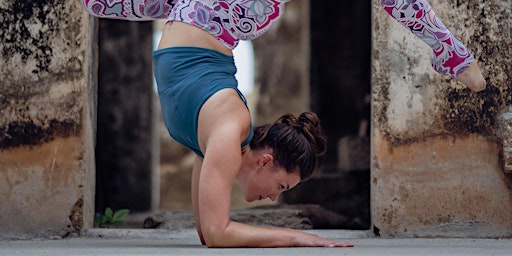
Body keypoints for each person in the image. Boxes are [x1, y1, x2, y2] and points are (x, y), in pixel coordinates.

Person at [82, 0, 485, 247]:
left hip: (202, 17)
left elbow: (209, 233)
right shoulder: (228, 127)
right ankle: (455, 57)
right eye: (281, 186)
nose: (274, 197)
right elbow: (220, 235)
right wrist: (297, 238)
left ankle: (454, 57)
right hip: (210, 19)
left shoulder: (216, 142)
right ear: (265, 160)